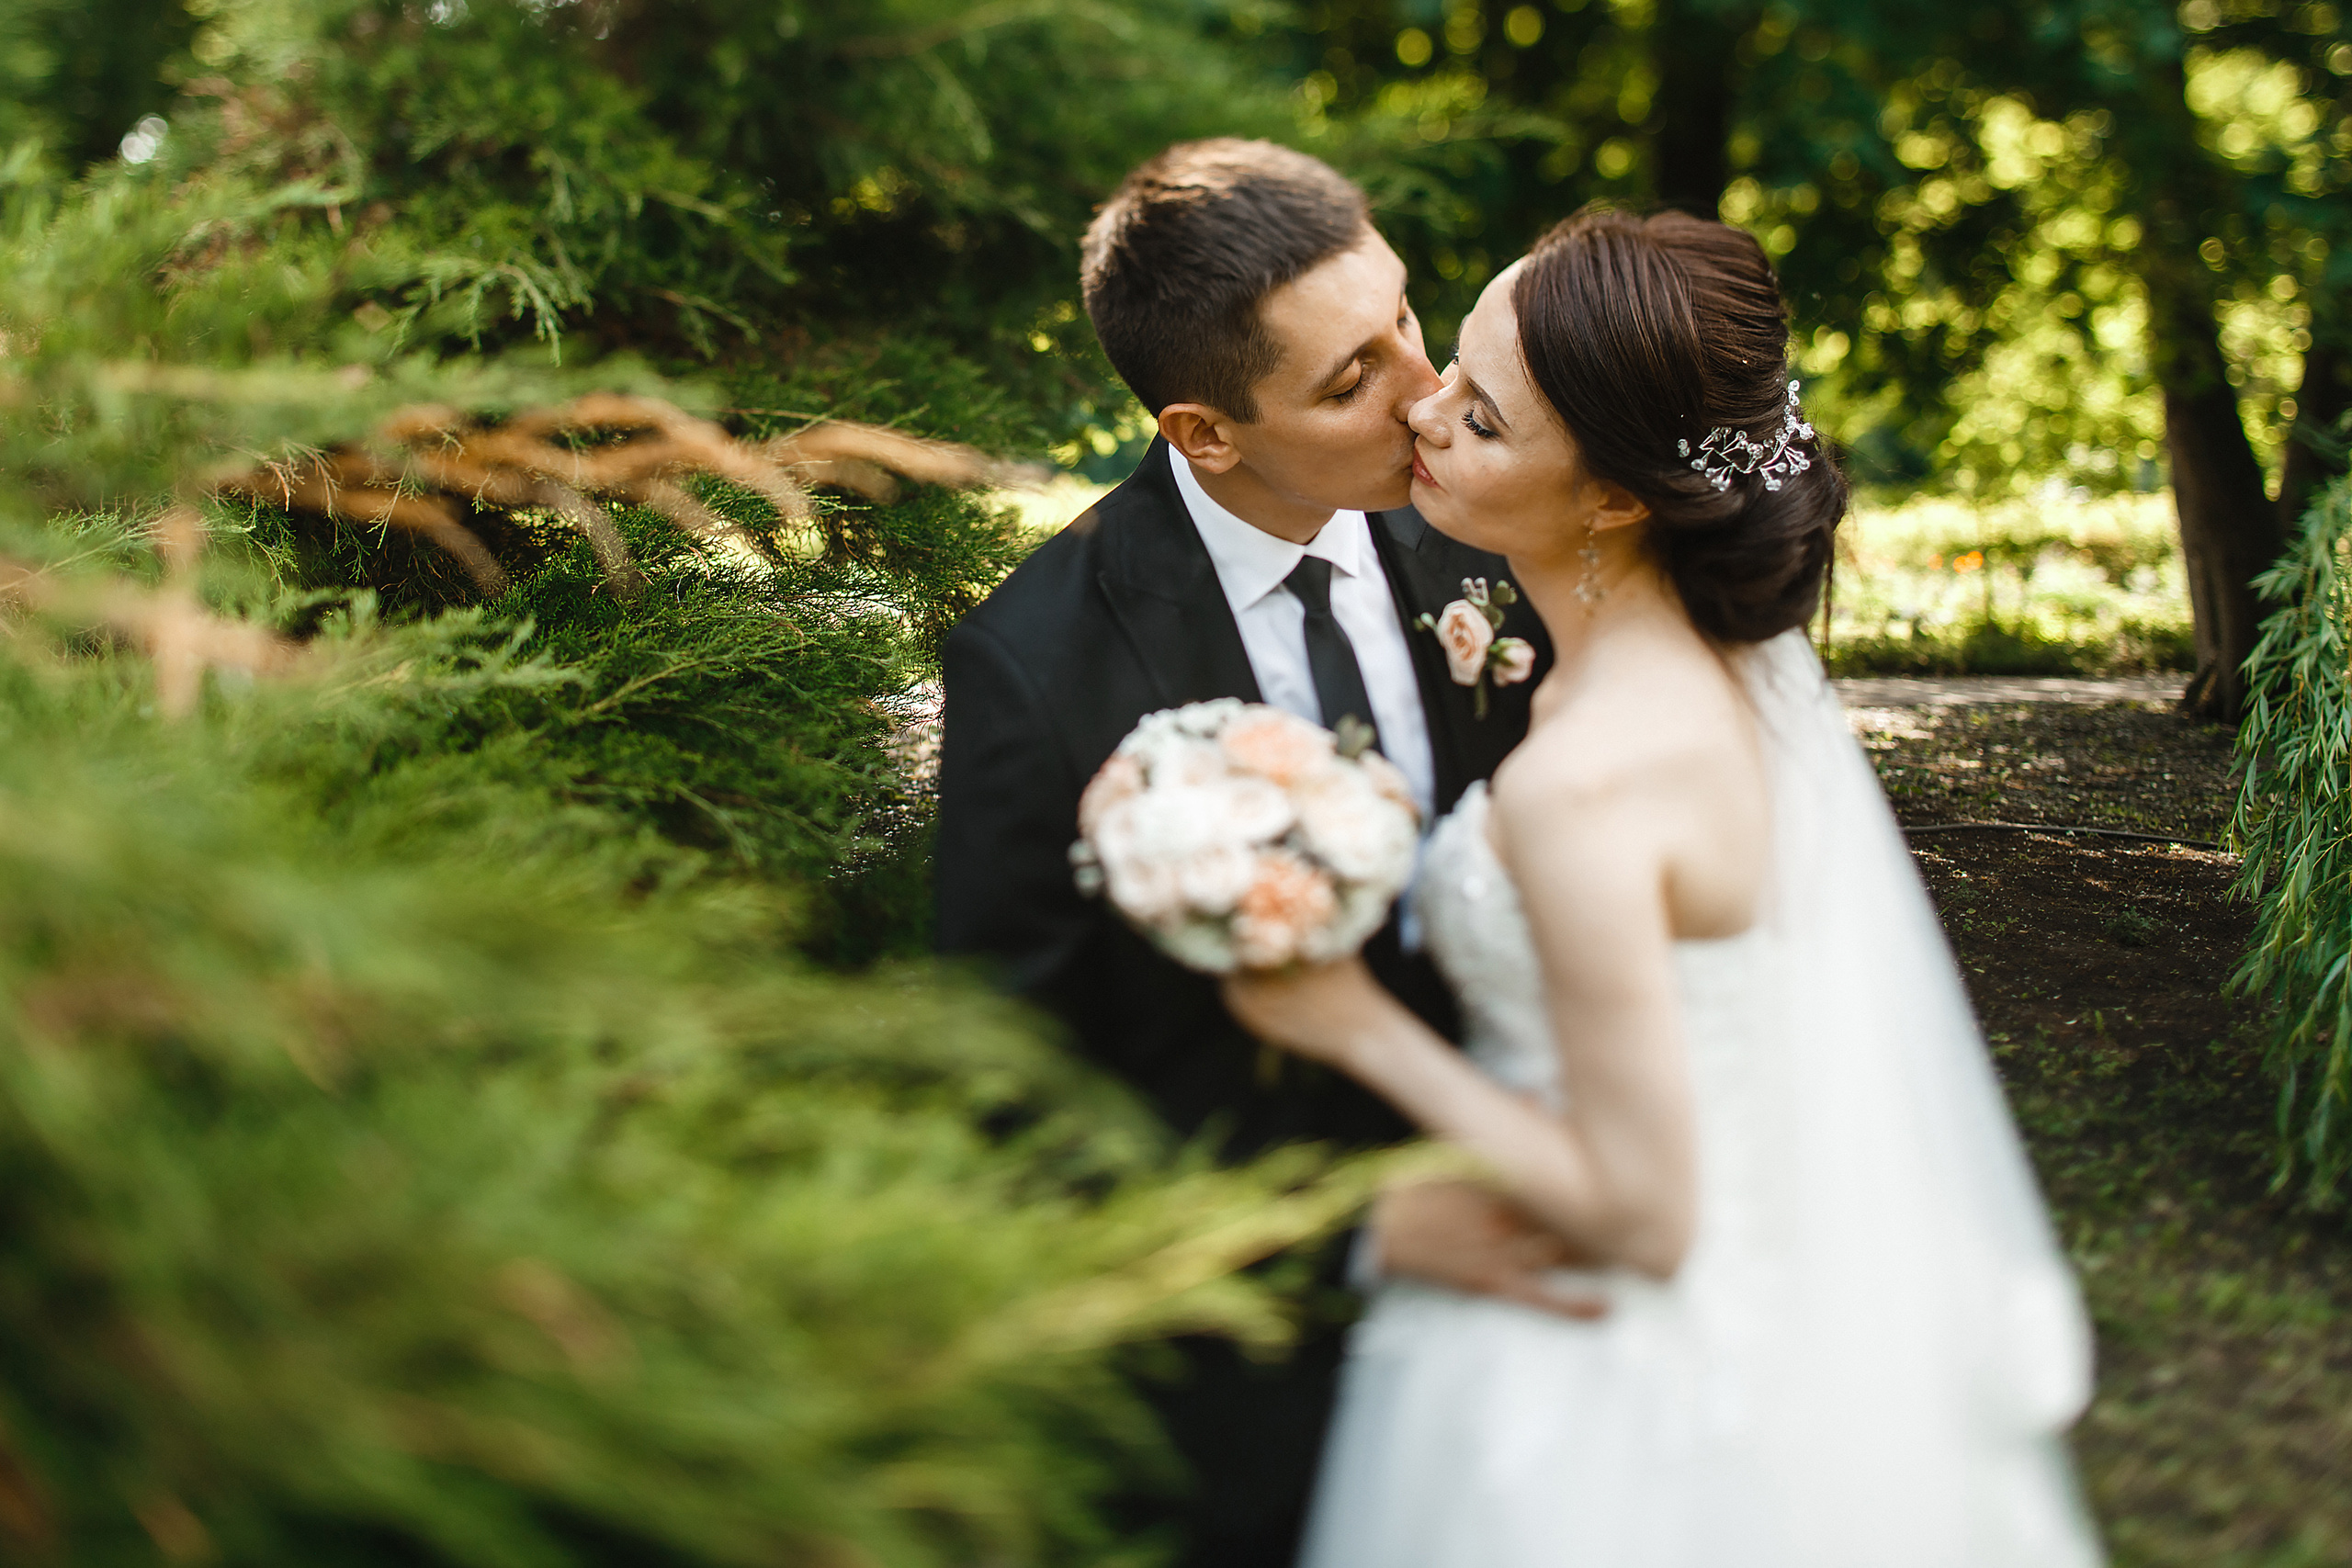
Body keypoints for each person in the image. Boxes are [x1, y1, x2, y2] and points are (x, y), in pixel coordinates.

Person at [1223, 206, 2105, 1567]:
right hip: (1777, 1311)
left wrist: (1350, 1026)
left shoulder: (1589, 780)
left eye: (1487, 419)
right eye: (1454, 364)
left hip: (1605, 1383)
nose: (1427, 415)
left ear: (1619, 498)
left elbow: (1645, 1215)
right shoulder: (1705, 671)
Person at [933, 140, 1578, 1568]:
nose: (1429, 394)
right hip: (1256, 1379)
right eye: (1350, 381)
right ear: (1205, 431)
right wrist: (1350, 1240)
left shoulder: (1496, 539)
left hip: (1552, 1275)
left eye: (1405, 317)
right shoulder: (1038, 669)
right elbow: (1011, 1100)